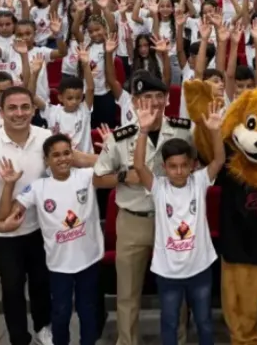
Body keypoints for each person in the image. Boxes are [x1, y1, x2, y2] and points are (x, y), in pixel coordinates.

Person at [92, 71, 195, 345]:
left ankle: (179, 340)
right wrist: (125, 177)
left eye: (158, 96)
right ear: (135, 103)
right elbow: (97, 178)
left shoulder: (185, 130)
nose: (153, 102)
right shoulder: (120, 136)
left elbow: (203, 164)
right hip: (133, 220)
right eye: (145, 97)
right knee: (127, 293)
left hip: (173, 221)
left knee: (176, 289)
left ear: (167, 99)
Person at [0, 87, 61, 345]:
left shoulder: (46, 138)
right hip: (4, 234)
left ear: (33, 109)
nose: (19, 113)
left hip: (41, 228)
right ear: (1, 112)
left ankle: (44, 328)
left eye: (25, 107)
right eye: (13, 108)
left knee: (42, 283)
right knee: (12, 288)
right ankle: (19, 337)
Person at [0, 134, 112, 345]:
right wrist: (8, 185)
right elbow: (5, 215)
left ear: (73, 155)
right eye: (56, 155)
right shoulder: (38, 188)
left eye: (67, 153)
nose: (62, 159)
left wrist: (108, 153)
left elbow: (117, 171)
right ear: (46, 160)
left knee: (88, 311)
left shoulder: (87, 176)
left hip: (89, 261)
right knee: (61, 313)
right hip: (59, 266)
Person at [132, 97, 225, 345]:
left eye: (184, 165)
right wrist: (142, 130)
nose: (179, 171)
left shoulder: (199, 181)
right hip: (168, 271)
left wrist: (215, 132)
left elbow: (218, 161)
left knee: (204, 321)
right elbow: (139, 166)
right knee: (170, 322)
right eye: (173, 166)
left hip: (200, 268)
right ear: (164, 167)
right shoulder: (159, 187)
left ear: (192, 165)